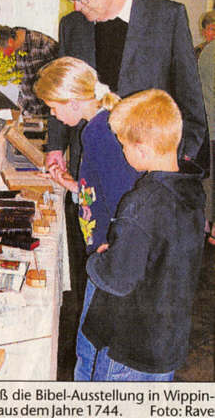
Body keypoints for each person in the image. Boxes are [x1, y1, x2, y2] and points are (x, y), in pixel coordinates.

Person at [45, 0, 209, 380]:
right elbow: (64, 89)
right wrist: (56, 144)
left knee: (142, 291)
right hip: (95, 170)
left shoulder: (166, 16)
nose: (76, 7)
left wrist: (171, 172)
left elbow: (191, 105)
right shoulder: (72, 25)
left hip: (149, 172)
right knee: (100, 281)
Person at [78, 89, 205, 381]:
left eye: (123, 145)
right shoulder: (192, 190)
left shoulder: (141, 202)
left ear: (142, 151)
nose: (122, 152)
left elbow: (118, 279)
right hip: (167, 344)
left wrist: (97, 260)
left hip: (130, 346)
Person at [34, 56, 141, 379]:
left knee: (91, 349)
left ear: (74, 99)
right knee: (88, 342)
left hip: (109, 256)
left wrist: (114, 249)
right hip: (106, 252)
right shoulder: (99, 123)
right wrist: (70, 184)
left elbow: (126, 197)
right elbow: (101, 189)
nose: (52, 114)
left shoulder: (98, 132)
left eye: (53, 106)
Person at [0, 25, 58, 116]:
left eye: (1, 53)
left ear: (10, 42)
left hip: (49, 114)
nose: (2, 57)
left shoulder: (44, 45)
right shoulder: (11, 48)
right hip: (28, 113)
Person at [198, 40, 215, 245]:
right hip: (211, 125)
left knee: (208, 181)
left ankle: (204, 226)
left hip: (207, 126)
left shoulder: (208, 50)